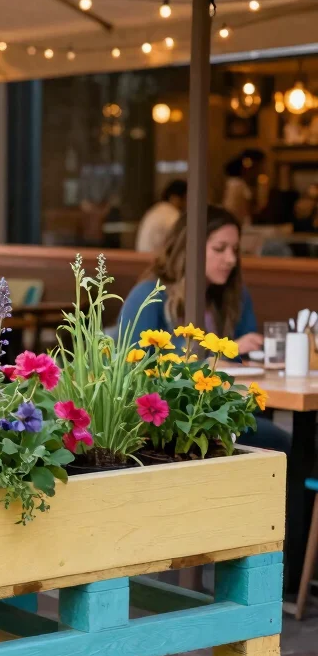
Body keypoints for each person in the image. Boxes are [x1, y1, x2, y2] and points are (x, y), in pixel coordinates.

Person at [119, 204, 288, 454]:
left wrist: (239, 351)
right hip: (169, 420)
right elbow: (132, 372)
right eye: (220, 249)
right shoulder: (148, 295)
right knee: (281, 442)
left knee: (286, 441)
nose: (230, 259)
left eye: (235, 250)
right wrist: (221, 353)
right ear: (190, 249)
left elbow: (247, 363)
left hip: (221, 411)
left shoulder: (234, 296)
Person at [135, 180, 187, 254]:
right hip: (156, 261)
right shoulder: (172, 215)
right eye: (186, 198)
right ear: (175, 198)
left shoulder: (155, 210)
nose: (187, 203)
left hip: (143, 259)